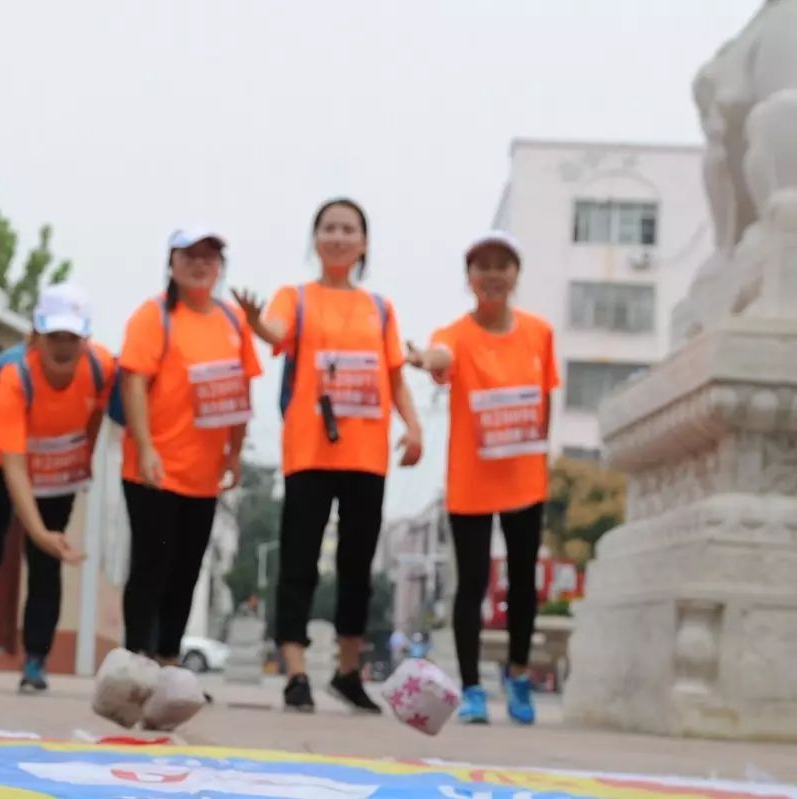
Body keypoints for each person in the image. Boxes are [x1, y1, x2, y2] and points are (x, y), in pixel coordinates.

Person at [233, 198, 423, 714]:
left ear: (363, 243)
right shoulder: (294, 298)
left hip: (366, 456)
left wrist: (414, 428)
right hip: (309, 453)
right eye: (329, 228)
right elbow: (275, 333)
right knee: (298, 562)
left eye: (349, 229)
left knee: (357, 567)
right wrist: (254, 322)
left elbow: (395, 377)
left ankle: (347, 671)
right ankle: (295, 672)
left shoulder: (378, 309)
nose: (338, 237)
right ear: (315, 239)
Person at [405, 230, 558, 726]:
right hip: (471, 480)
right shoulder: (457, 334)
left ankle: (517, 678)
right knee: (470, 584)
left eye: (502, 264)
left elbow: (545, 397)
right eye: (482, 265)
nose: (492, 273)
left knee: (520, 585)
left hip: (523, 479)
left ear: (516, 274)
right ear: (469, 278)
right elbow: (441, 357)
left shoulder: (538, 332)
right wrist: (425, 360)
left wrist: (541, 456)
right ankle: (471, 688)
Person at [0, 283, 113, 693]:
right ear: (36, 337)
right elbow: (14, 466)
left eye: (72, 337)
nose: (63, 347)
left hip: (58, 465)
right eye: (54, 336)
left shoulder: (102, 367)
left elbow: (97, 413)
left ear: (85, 339)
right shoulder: (14, 378)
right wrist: (37, 531)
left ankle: (36, 662)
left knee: (46, 563)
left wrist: (84, 457)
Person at [118, 228, 261, 678]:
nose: (200, 264)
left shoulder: (234, 321)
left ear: (220, 266)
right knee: (150, 566)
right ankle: (136, 660)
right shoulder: (153, 316)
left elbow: (241, 391)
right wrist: (145, 447)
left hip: (203, 475)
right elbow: (134, 381)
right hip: (152, 470)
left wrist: (234, 455)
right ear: (172, 262)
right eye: (190, 255)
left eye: (209, 256)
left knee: (186, 571)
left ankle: (169, 662)